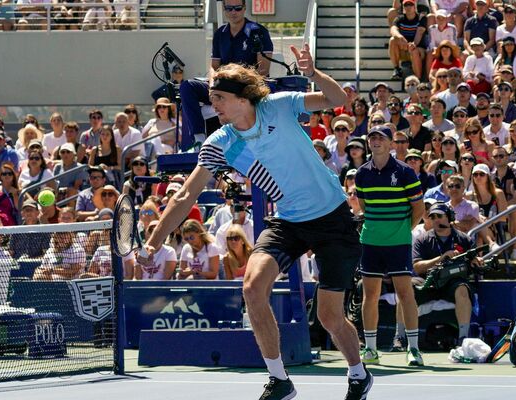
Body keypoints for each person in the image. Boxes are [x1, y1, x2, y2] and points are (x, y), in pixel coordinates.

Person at [142, 51, 371, 398]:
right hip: (288, 220)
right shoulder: (221, 143)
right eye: (211, 97)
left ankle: (358, 373)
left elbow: (338, 100)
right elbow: (185, 196)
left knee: (329, 317)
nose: (212, 104)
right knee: (252, 288)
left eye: (219, 97)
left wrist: (314, 72)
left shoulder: (278, 106)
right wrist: (154, 242)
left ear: (242, 97)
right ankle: (279, 379)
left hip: (332, 218)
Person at [354, 124, 425, 367]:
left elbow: (419, 209)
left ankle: (413, 348)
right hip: (371, 242)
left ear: (390, 143)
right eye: (372, 137)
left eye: (380, 138)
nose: (375, 141)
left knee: (405, 294)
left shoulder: (405, 172)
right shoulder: (361, 173)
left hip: (398, 243)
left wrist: (401, 229)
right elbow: (365, 207)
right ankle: (371, 349)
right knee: (370, 295)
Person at [179, 0, 273, 152]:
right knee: (187, 87)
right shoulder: (220, 33)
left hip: (245, 88)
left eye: (237, 8)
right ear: (224, 10)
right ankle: (199, 140)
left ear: (244, 8)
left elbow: (263, 71)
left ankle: (219, 107)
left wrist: (234, 84)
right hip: (222, 86)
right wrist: (212, 87)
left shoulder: (258, 31)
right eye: (229, 8)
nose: (233, 12)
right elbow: (214, 66)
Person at [412, 202, 481, 344]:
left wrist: (476, 262)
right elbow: (417, 267)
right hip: (428, 281)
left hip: (452, 282)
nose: (436, 220)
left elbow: (472, 263)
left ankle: (463, 338)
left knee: (462, 288)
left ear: (449, 217)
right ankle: (399, 336)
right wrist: (441, 258)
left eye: (439, 216)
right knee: (406, 288)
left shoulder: (464, 239)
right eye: (433, 217)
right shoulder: (422, 239)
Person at [389, 0, 427, 80]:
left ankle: (418, 78)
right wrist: (399, 37)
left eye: (411, 4)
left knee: (414, 51)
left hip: (419, 47)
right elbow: (393, 29)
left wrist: (414, 44)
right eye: (406, 5)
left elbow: (420, 32)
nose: (408, 7)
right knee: (393, 40)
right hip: (404, 46)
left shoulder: (421, 18)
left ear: (415, 6)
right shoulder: (400, 18)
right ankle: (397, 69)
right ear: (403, 7)